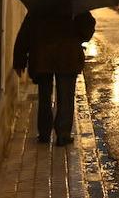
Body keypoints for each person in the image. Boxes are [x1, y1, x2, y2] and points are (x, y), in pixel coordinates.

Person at [12, 10, 96, 145]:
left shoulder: (39, 7)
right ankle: (63, 134)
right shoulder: (75, 5)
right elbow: (87, 29)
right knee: (66, 96)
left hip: (43, 57)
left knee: (44, 96)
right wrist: (77, 37)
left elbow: (25, 34)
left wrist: (19, 60)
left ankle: (44, 133)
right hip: (68, 57)